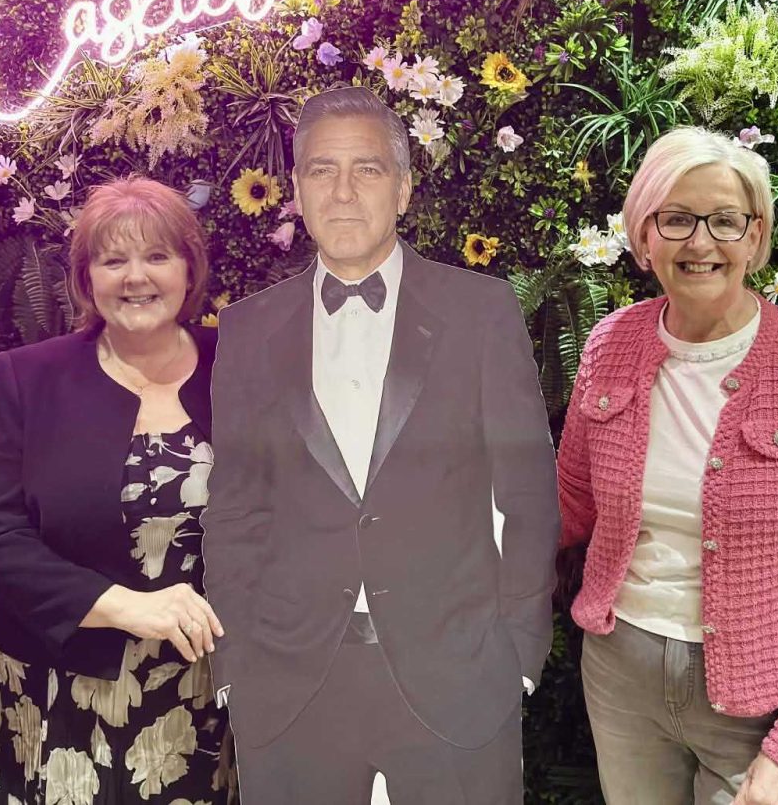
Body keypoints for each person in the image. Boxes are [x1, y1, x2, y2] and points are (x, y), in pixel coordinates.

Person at [202, 85, 559, 805]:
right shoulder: (245, 330)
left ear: (402, 189)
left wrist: (518, 653)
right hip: (293, 684)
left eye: (365, 169)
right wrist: (234, 663)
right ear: (296, 191)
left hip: (457, 677)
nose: (341, 192)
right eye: (320, 170)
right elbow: (236, 510)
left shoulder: (482, 312)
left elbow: (527, 495)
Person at [557, 126, 778, 805]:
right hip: (621, 675)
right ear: (644, 234)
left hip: (762, 700)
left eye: (724, 220)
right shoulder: (610, 345)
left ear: (755, 235)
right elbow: (565, 507)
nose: (701, 242)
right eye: (677, 219)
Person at [0, 178, 232, 804]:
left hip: (203, 689)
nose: (137, 277)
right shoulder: (27, 378)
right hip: (56, 689)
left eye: (158, 256)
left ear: (190, 269)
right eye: (114, 260)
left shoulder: (239, 365)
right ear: (86, 279)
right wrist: (123, 605)